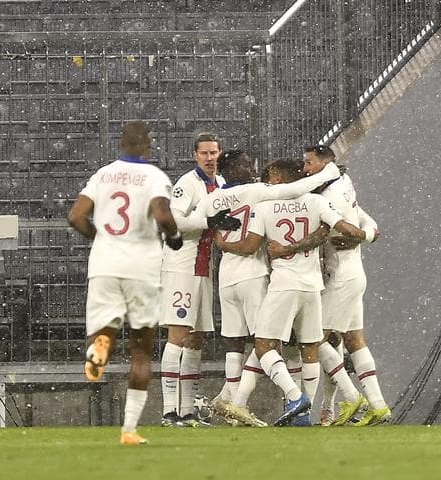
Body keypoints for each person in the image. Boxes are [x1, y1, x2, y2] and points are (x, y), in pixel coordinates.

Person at [214, 158, 367, 426]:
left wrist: (222, 244)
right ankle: (311, 413)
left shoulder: (265, 206)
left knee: (263, 345)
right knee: (311, 348)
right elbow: (341, 229)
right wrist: (363, 235)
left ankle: (294, 399)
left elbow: (250, 246)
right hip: (313, 286)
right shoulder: (316, 202)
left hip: (283, 285)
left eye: (269, 178)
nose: (266, 183)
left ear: (278, 177)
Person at [67, 121, 189, 445]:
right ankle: (129, 430)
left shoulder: (103, 174)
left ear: (120, 144)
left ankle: (100, 345)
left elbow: (75, 216)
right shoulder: (153, 177)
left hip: (105, 264)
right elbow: (162, 215)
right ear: (148, 145)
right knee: (141, 349)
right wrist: (174, 236)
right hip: (141, 266)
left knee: (105, 327)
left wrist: (100, 238)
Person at [299, 145, 390, 426]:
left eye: (309, 162)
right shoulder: (344, 182)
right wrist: (367, 235)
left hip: (340, 278)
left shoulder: (329, 196)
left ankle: (349, 398)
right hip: (355, 273)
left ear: (325, 162)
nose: (305, 168)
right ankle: (378, 406)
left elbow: (327, 232)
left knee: (313, 338)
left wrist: (290, 247)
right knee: (354, 340)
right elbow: (364, 217)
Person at [157, 132, 240, 428]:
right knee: (179, 334)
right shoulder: (187, 183)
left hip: (203, 268)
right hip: (181, 266)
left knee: (195, 339)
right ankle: (169, 411)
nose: (209, 158)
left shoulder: (220, 184)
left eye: (213, 152)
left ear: (220, 153)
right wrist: (208, 222)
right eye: (204, 153)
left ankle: (187, 410)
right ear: (195, 156)